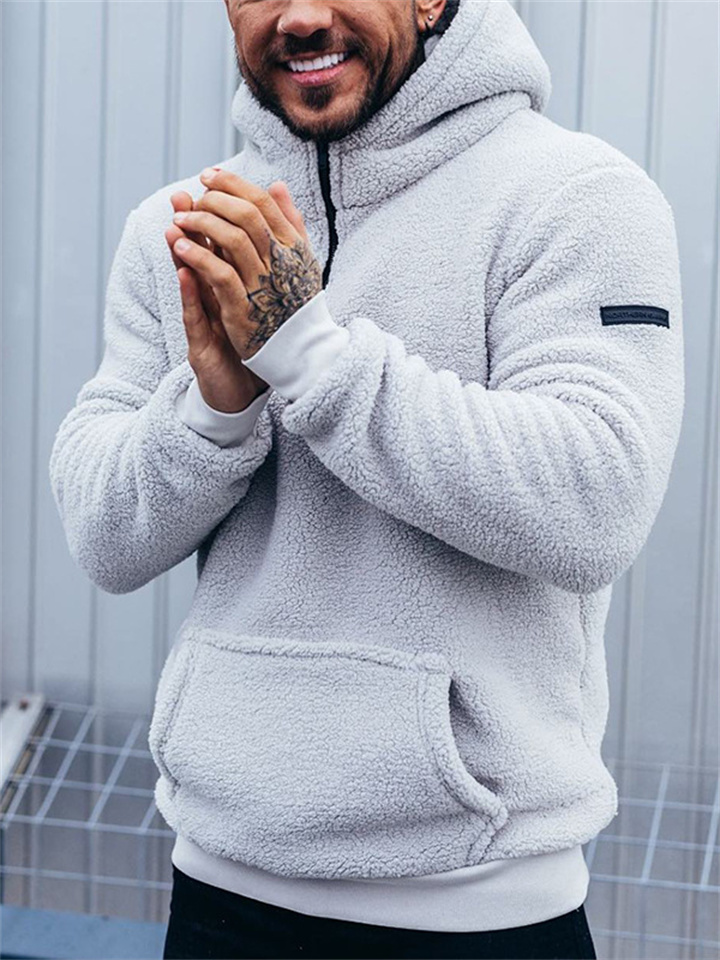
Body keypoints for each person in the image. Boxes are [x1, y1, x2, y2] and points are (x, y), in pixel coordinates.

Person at [48, 0, 685, 957]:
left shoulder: (577, 195)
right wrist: (214, 411)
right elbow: (104, 539)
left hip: (479, 908)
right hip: (218, 889)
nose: (301, 17)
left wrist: (309, 357)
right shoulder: (184, 229)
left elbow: (597, 502)